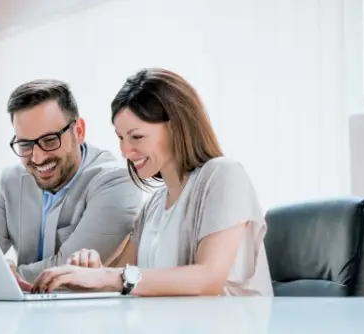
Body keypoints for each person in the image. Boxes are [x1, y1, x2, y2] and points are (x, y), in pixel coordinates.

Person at [31, 68, 273, 297]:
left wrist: (109, 276)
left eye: (137, 136)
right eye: (121, 138)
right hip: (176, 332)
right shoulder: (155, 205)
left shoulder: (223, 175)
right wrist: (92, 272)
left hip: (231, 333)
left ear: (178, 127)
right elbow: (124, 280)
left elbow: (208, 279)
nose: (125, 151)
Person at [0, 79, 142, 289]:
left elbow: (67, 276)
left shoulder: (118, 183)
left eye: (50, 140)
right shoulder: (11, 181)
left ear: (78, 131)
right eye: (25, 144)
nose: (38, 158)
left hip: (85, 318)